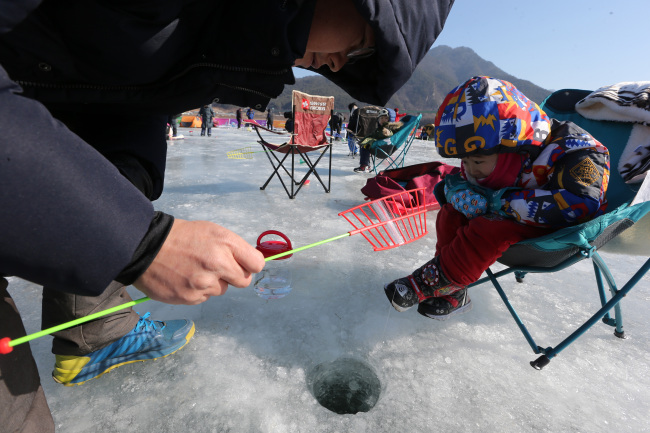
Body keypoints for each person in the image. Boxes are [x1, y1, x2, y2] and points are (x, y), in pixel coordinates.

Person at [0, 0, 455, 430]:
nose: (340, 65)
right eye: (361, 45)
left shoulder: (222, 38)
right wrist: (137, 241)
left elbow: (114, 95)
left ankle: (99, 333)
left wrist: (120, 196)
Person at [383, 76, 610, 320]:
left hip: (558, 228)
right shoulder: (486, 148)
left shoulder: (575, 150)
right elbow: (462, 179)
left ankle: (429, 282)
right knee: (451, 213)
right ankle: (453, 290)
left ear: (513, 147)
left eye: (477, 161)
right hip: (508, 212)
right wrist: (459, 192)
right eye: (465, 161)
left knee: (489, 228)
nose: (470, 169)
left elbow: (581, 204)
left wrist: (496, 203)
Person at [353, 108, 403, 172]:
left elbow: (391, 133)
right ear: (378, 120)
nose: (383, 120)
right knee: (364, 144)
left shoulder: (389, 128)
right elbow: (373, 135)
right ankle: (366, 165)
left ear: (390, 119)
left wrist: (388, 132)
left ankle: (364, 165)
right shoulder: (380, 128)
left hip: (384, 148)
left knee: (365, 145)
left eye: (386, 118)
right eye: (381, 118)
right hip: (380, 147)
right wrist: (365, 139)